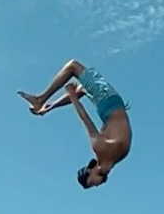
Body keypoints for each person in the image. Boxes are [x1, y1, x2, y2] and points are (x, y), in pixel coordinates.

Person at [18, 59, 131, 188]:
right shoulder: (113, 160)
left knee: (73, 66)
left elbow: (85, 118)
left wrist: (72, 96)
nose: (97, 185)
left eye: (92, 183)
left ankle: (40, 99)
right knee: (81, 89)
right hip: (109, 105)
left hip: (107, 100)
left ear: (89, 171)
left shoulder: (99, 148)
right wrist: (65, 100)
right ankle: (45, 104)